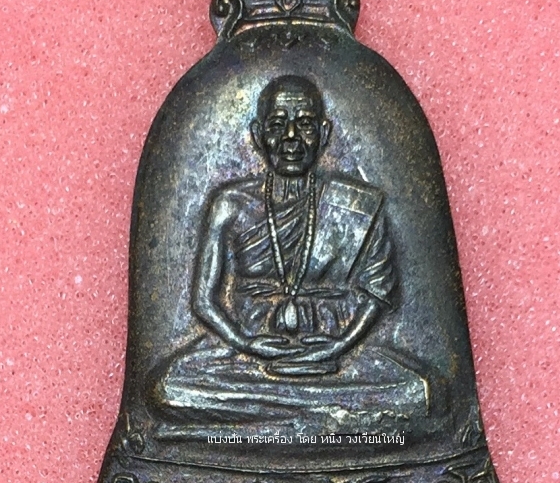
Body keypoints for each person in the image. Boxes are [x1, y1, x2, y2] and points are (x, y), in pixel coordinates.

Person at [148, 76, 430, 434]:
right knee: (171, 391)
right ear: (258, 135)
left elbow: (378, 292)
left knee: (415, 394)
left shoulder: (358, 206)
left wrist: (339, 345)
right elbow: (203, 301)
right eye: (278, 125)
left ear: (324, 134)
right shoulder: (231, 204)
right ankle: (318, 428)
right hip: (244, 355)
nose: (291, 138)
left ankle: (267, 428)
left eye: (305, 124)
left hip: (335, 352)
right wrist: (245, 342)